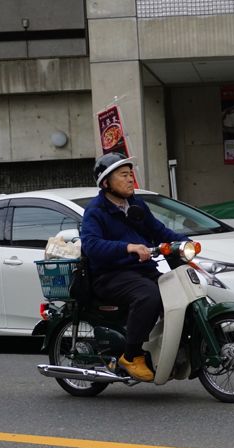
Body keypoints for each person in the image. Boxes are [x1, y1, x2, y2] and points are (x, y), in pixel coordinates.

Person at [80, 152, 189, 382]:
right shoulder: (96, 211)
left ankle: (171, 348)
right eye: (123, 175)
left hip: (140, 271)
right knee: (149, 295)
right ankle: (131, 356)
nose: (131, 179)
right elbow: (91, 246)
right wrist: (127, 247)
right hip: (109, 275)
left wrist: (184, 242)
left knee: (177, 292)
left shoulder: (136, 205)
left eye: (131, 174)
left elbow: (159, 231)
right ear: (106, 182)